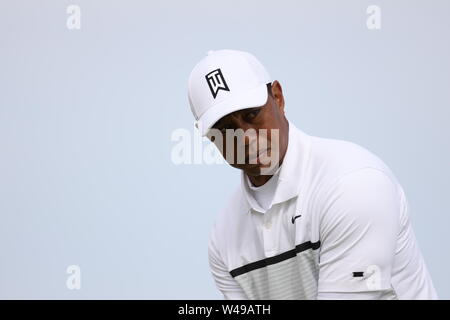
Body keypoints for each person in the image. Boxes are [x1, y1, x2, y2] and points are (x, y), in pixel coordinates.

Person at [187, 49, 438, 299]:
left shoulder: (354, 182)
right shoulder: (223, 237)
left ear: (278, 97)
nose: (246, 138)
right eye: (226, 129)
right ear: (211, 138)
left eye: (252, 115)